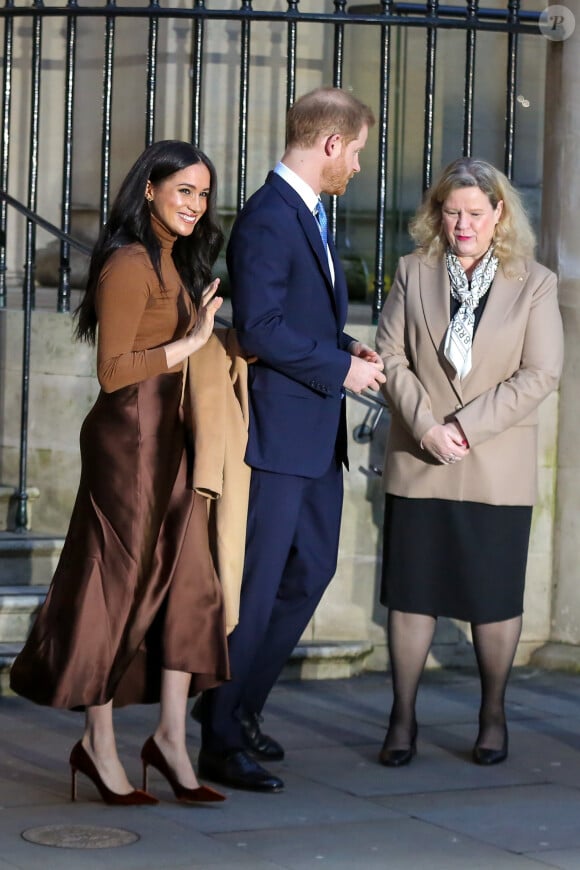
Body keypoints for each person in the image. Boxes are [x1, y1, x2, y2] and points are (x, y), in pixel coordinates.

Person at [10, 140, 230, 805]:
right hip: (128, 441)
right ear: (149, 191)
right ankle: (98, 745)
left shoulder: (170, 257)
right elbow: (112, 373)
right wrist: (187, 345)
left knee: (190, 581)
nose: (194, 204)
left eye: (203, 194)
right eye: (183, 191)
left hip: (172, 438)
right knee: (116, 587)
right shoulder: (129, 263)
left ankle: (170, 739)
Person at [194, 86, 385, 793]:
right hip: (277, 434)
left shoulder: (307, 212)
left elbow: (296, 318)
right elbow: (262, 328)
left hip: (314, 432)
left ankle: (238, 707)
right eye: (357, 151)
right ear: (330, 144)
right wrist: (339, 369)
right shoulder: (269, 218)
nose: (358, 167)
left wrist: (345, 349)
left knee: (311, 571)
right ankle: (218, 735)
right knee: (261, 583)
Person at [375, 156, 563, 768]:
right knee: (411, 596)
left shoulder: (534, 282)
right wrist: (427, 426)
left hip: (495, 465)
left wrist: (463, 426)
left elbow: (543, 373)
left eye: (475, 213)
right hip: (419, 457)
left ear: (499, 214)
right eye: (452, 212)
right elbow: (390, 358)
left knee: (492, 598)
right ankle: (402, 717)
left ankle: (492, 713)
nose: (462, 224)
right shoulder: (412, 271)